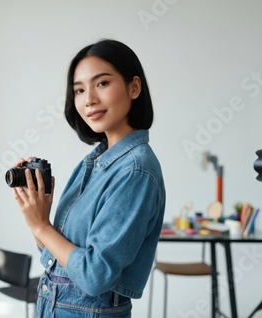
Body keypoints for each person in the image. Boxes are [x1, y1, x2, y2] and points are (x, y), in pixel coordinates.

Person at [11, 39, 165, 317]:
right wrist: (36, 218)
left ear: (134, 87)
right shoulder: (93, 162)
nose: (89, 99)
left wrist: (42, 227)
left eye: (102, 83)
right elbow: (56, 260)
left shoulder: (135, 172)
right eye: (79, 90)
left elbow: (95, 276)